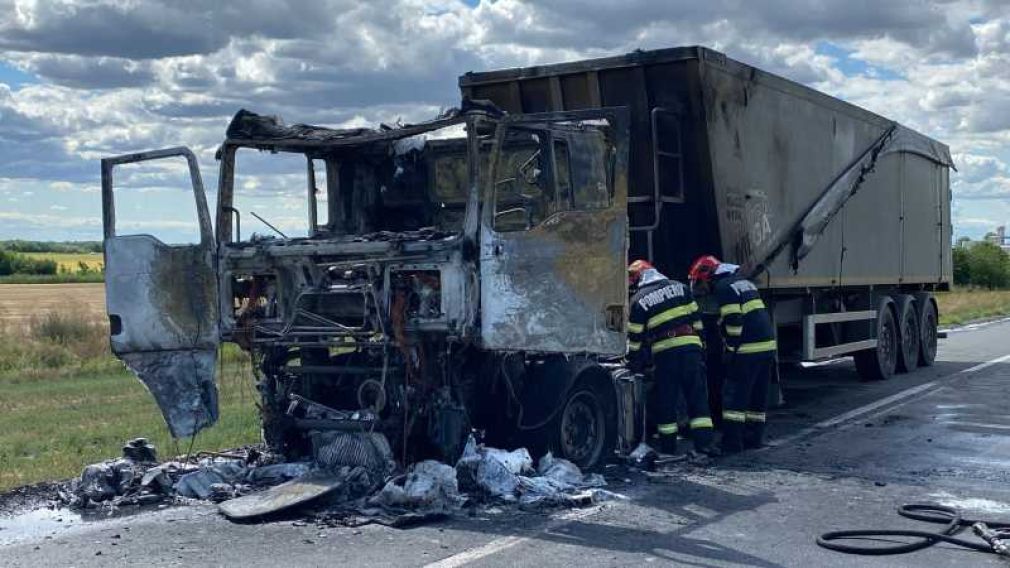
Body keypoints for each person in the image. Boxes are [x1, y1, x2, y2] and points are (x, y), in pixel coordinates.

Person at [626, 259, 717, 457]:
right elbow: (697, 320)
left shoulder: (639, 300)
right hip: (691, 348)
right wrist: (701, 346)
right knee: (697, 397)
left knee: (666, 399)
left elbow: (635, 338)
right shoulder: (681, 288)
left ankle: (668, 448)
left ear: (639, 278)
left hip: (666, 353)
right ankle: (705, 445)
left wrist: (633, 362)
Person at [688, 255, 777, 453]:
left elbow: (734, 321)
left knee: (734, 397)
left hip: (747, 349)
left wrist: (730, 349)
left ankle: (732, 443)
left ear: (708, 277)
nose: (701, 289)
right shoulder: (743, 282)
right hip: (767, 345)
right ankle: (754, 439)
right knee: (757, 397)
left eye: (700, 283)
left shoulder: (723, 288)